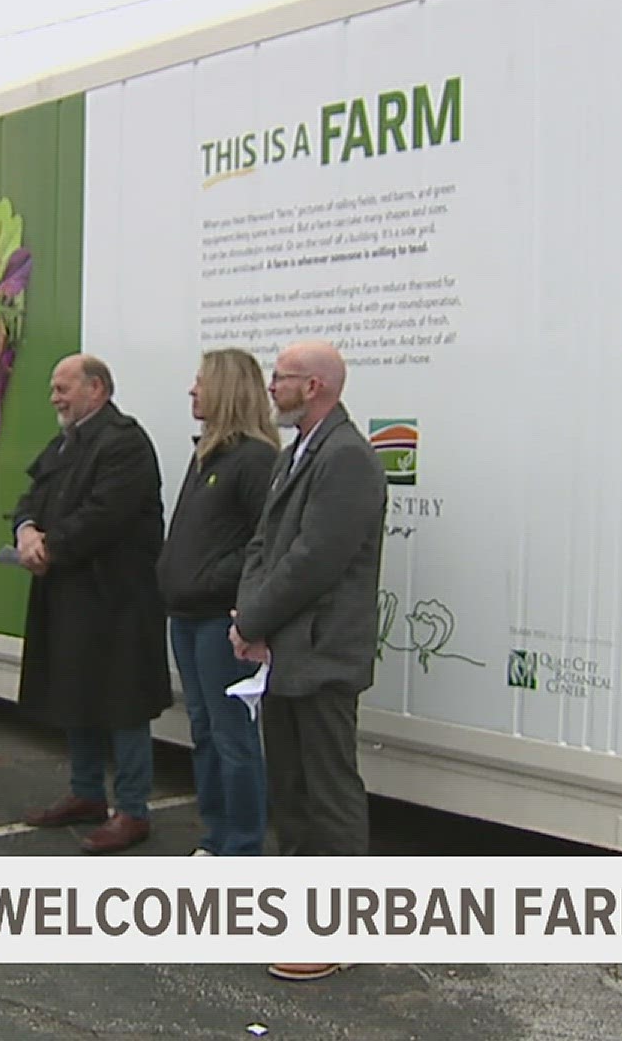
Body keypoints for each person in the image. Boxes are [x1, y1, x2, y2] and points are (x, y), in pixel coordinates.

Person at [229, 340, 386, 982]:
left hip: (322, 654)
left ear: (315, 386)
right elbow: (264, 545)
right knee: (289, 793)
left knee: (327, 795)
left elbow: (315, 561)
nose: (272, 388)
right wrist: (248, 620)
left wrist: (257, 619)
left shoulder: (348, 458)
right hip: (287, 651)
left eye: (283, 379)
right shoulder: (298, 452)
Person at [12, 354, 172, 854]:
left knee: (123, 705)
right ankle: (85, 794)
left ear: (97, 388)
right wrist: (25, 532)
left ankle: (131, 810)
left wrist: (48, 547)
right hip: (71, 596)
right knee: (74, 695)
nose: (55, 398)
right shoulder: (68, 442)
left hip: (117, 600)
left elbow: (104, 514)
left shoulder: (124, 442)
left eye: (63, 388)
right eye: (53, 389)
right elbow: (30, 498)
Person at [156, 349, 280, 857]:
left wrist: (216, 583)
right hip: (185, 615)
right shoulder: (207, 453)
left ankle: (243, 848)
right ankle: (215, 838)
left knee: (232, 736)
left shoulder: (255, 460)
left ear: (227, 390)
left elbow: (266, 542)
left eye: (201, 382)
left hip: (220, 620)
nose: (192, 391)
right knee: (204, 733)